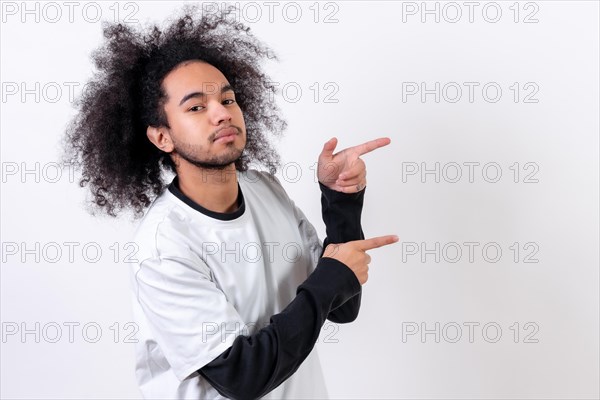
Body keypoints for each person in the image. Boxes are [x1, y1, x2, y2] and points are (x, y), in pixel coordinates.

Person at [62, 5, 398, 399]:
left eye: (228, 99)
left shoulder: (265, 190)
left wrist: (340, 199)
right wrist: (331, 278)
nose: (222, 113)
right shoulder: (164, 247)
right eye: (196, 107)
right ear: (162, 138)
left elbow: (340, 304)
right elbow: (242, 376)